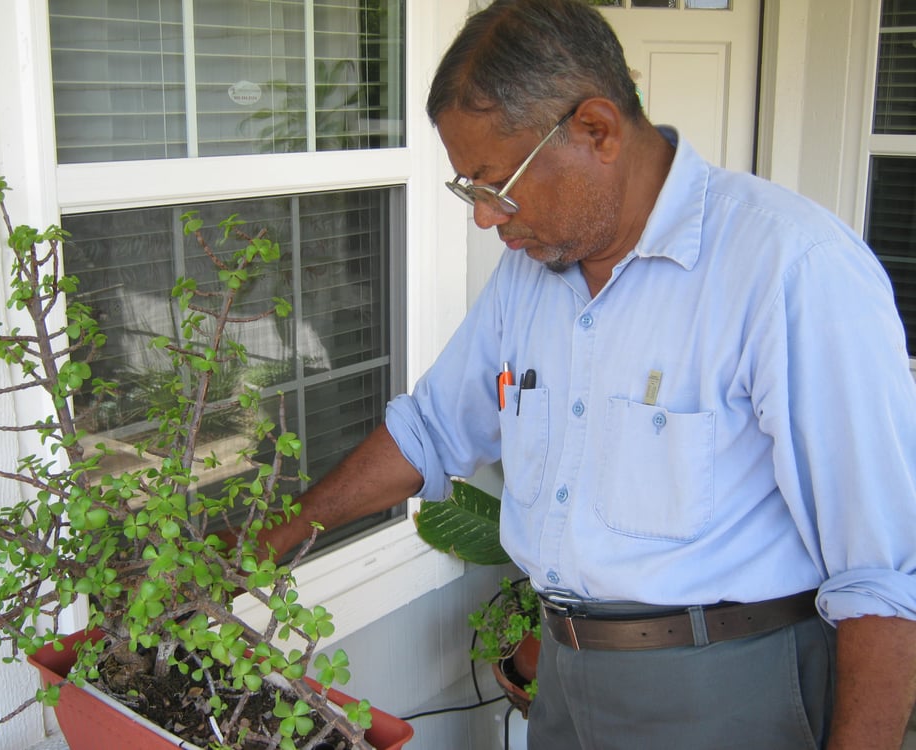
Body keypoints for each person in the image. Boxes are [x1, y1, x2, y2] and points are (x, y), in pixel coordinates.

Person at [262, 1, 916, 747]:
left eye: (495, 184)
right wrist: (267, 542)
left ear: (596, 129)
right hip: (565, 683)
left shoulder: (790, 268)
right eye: (469, 189)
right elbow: (432, 431)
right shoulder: (531, 275)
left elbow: (884, 576)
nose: (485, 217)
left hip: (729, 690)